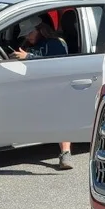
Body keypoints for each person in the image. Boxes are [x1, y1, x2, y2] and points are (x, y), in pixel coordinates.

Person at [10, 16, 74, 170]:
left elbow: (58, 64)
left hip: (55, 87)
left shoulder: (55, 43)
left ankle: (65, 153)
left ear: (40, 30)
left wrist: (29, 57)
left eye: (29, 33)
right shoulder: (28, 46)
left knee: (60, 115)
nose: (27, 37)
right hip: (33, 87)